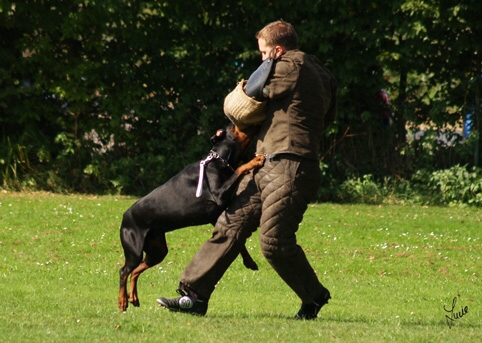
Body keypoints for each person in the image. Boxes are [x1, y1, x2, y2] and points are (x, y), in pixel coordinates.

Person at [157, 20, 337, 320]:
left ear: (277, 50)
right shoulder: (323, 73)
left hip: (289, 166)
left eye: (264, 53)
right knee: (231, 224)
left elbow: (252, 92)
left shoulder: (289, 65)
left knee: (274, 243)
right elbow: (327, 120)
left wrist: (254, 80)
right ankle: (194, 296)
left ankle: (314, 296)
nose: (262, 58)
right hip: (268, 162)